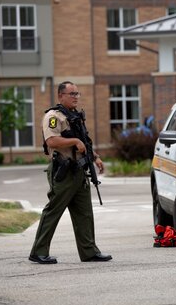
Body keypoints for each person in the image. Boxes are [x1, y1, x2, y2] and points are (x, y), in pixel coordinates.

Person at [29, 81, 112, 264]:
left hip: (80, 170)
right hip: (63, 171)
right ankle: (38, 251)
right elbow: (51, 141)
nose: (76, 97)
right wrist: (74, 141)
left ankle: (89, 251)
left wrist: (95, 157)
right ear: (61, 96)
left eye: (77, 93)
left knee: (84, 213)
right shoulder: (53, 116)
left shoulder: (75, 115)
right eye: (72, 94)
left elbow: (84, 141)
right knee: (53, 211)